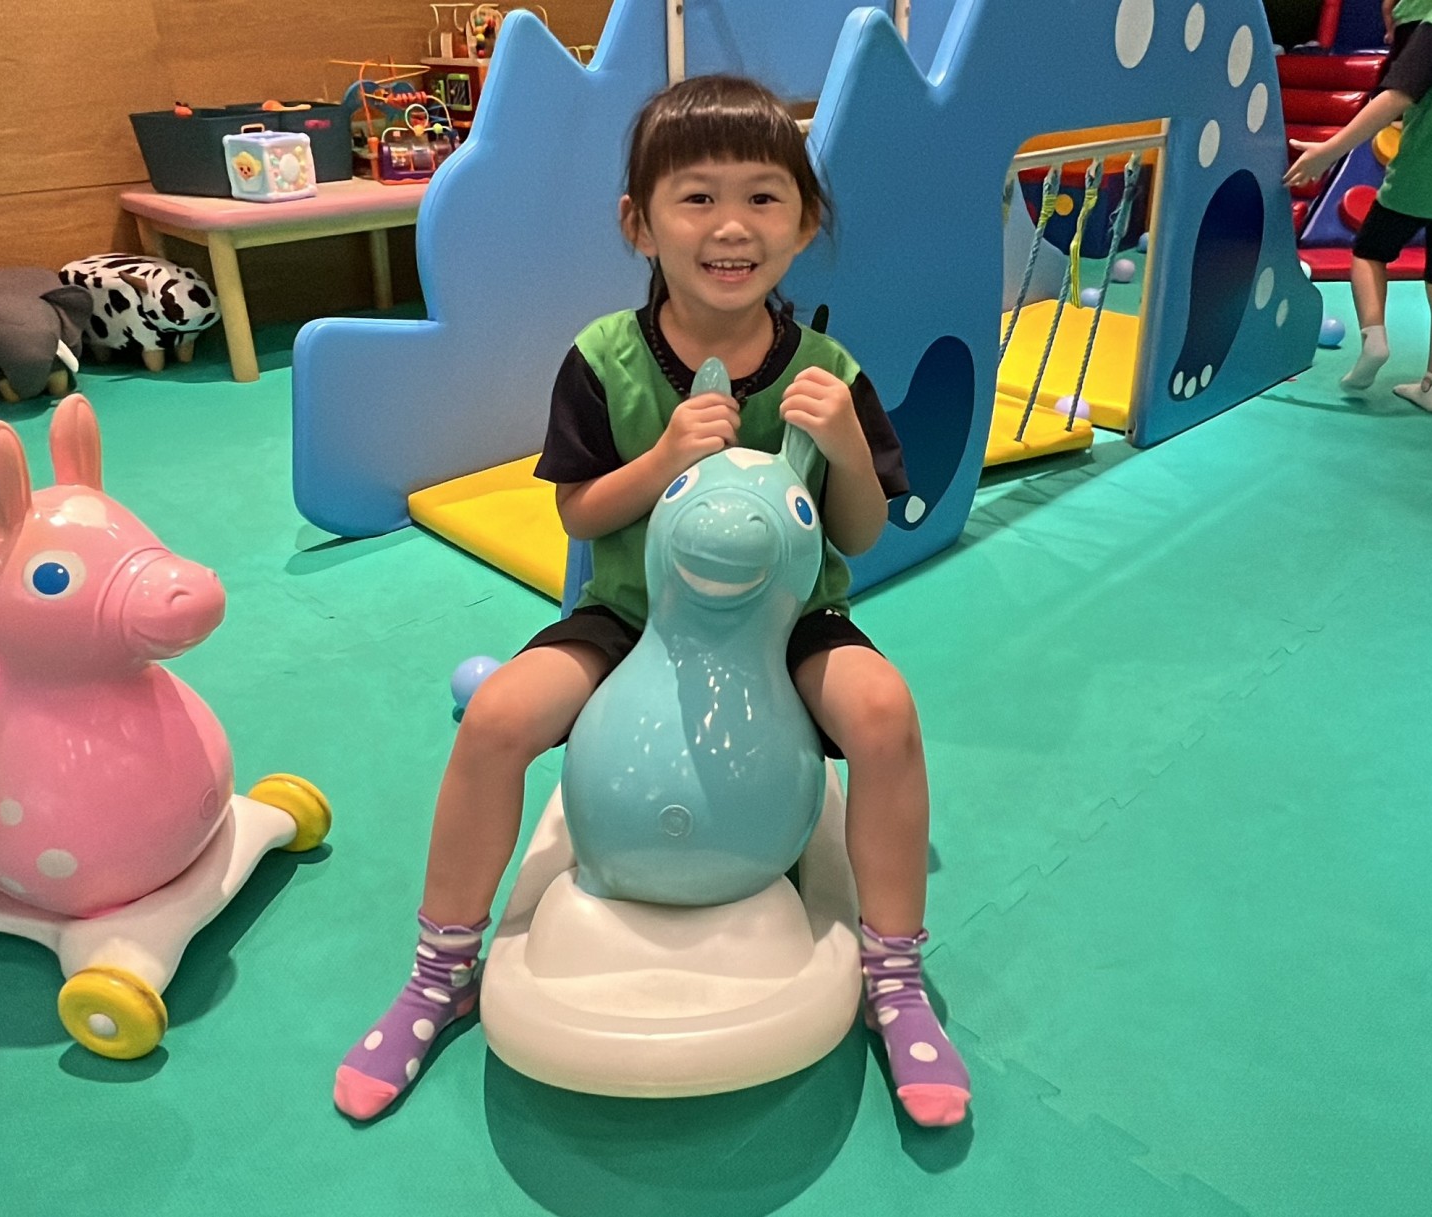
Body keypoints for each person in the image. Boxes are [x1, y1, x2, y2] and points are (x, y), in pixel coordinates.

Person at [332, 74, 971, 1128]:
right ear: (640, 223)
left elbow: (857, 536)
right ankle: (440, 969)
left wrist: (850, 447)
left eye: (763, 197)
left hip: (792, 620)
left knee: (884, 714)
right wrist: (665, 456)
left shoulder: (829, 370)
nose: (732, 225)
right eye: (697, 197)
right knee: (496, 717)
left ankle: (894, 977)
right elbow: (580, 513)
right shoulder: (603, 360)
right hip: (631, 614)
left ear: (805, 221)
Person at [1286, 0, 1432, 413]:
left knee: (1369, 252)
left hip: (1423, 173)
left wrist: (1328, 151)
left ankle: (1374, 339)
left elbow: (1395, 97)